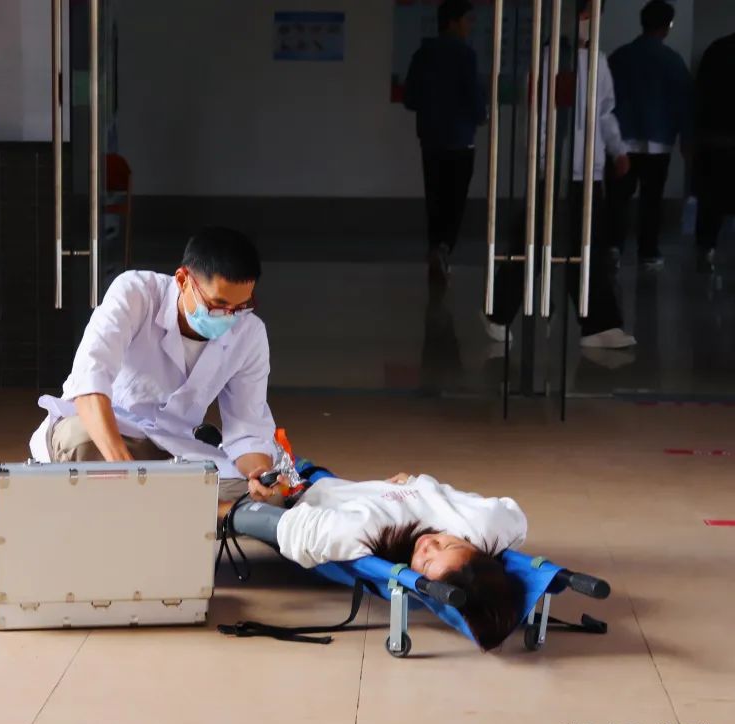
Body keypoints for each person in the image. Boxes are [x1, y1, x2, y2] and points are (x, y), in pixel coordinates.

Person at [28, 227, 283, 504]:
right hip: (110, 433)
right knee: (80, 443)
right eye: (217, 305)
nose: (229, 317)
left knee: (262, 496)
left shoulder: (250, 333)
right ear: (183, 280)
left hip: (174, 449)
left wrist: (259, 474)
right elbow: (90, 383)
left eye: (240, 307)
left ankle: (166, 504)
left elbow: (247, 428)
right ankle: (199, 508)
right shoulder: (136, 293)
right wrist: (126, 472)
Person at [227, 471, 527, 651]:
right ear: (479, 549)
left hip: (305, 491)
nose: (427, 545)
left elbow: (288, 528)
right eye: (446, 543)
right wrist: (417, 483)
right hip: (369, 488)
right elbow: (512, 516)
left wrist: (224, 510)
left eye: (425, 563)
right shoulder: (490, 526)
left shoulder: (360, 533)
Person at [484, 0, 637, 350]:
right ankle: (499, 311)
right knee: (537, 244)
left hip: (588, 171)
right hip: (558, 169)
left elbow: (604, 112)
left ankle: (597, 323)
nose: (590, 22)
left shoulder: (597, 61)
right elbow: (539, 116)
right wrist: (543, 161)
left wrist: (617, 150)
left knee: (585, 247)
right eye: (587, 14)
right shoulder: (551, 61)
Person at [404, 0, 487, 285]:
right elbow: (475, 98)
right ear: (452, 22)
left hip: (430, 139)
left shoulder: (422, 54)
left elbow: (410, 98)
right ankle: (444, 248)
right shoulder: (465, 55)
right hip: (460, 140)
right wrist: (480, 116)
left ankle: (434, 249)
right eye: (467, 20)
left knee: (435, 198)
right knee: (455, 200)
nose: (469, 26)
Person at [607, 0, 692, 272]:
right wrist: (686, 138)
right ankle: (648, 251)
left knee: (617, 198)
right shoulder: (673, 61)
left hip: (622, 141)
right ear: (667, 27)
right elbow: (684, 104)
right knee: (652, 200)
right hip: (658, 142)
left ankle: (613, 246)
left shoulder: (620, 57)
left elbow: (605, 102)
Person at [693, 31, 735, 273]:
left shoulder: (716, 49)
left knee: (711, 200)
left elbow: (700, 93)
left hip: (714, 139)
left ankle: (706, 249)